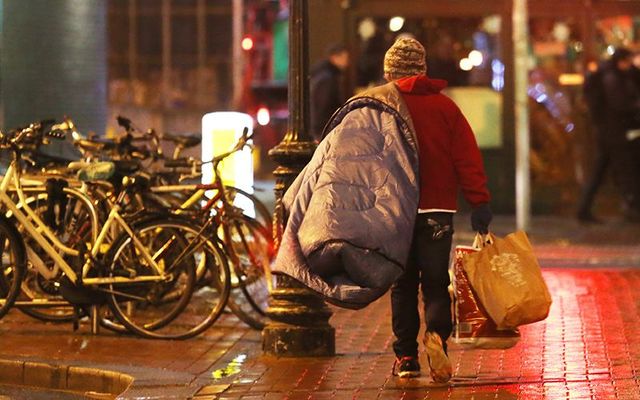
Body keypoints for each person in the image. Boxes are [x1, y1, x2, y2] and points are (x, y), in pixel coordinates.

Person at [382, 37, 492, 381]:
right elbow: (466, 158)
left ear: (390, 72)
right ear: (422, 70)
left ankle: (406, 357)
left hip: (394, 210)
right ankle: (438, 342)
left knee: (401, 284)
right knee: (434, 281)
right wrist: (480, 202)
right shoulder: (447, 109)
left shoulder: (380, 106)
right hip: (437, 209)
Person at [577, 48, 640, 223]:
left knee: (600, 171)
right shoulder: (612, 78)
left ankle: (584, 209)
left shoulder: (609, 74)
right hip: (615, 133)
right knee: (626, 171)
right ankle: (632, 208)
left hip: (608, 132)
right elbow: (620, 104)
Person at [310, 44, 350, 141]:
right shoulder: (328, 78)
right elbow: (323, 106)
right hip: (323, 128)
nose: (347, 62)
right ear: (335, 57)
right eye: (345, 58)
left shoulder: (325, 75)